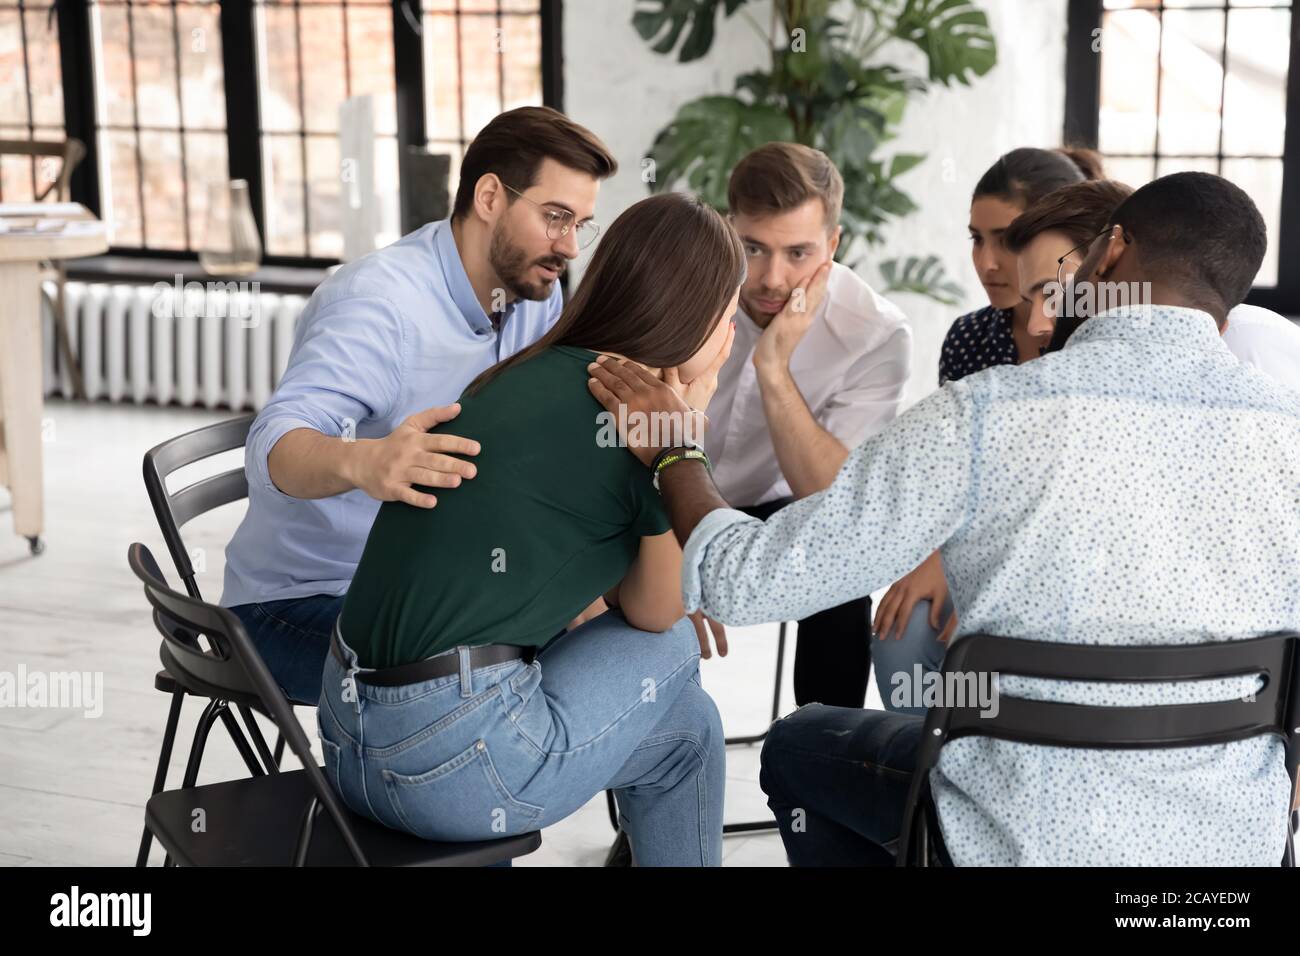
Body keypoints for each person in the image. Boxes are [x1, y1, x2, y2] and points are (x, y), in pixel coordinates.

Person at [587, 171, 1299, 866]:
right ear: (1224, 314)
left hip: (1012, 834)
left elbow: (744, 583)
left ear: (1110, 251)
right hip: (1229, 856)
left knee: (801, 744)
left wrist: (675, 451)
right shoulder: (1289, 432)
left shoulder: (983, 415)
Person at [319, 192, 742, 866]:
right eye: (729, 317)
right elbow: (659, 611)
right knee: (674, 649)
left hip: (346, 741)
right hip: (452, 766)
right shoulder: (642, 429)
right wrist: (683, 432)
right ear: (698, 321)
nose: (732, 336)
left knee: (689, 732)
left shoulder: (519, 373)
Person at [220, 107, 617, 704]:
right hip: (296, 604)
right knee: (483, 674)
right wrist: (367, 461)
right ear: (489, 197)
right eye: (555, 217)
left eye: (579, 223)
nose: (568, 245)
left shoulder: (535, 291)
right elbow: (272, 444)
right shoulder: (378, 304)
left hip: (432, 583)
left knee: (624, 644)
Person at [871, 178, 1133, 714]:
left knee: (799, 750)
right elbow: (953, 481)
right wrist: (945, 556)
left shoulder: (1166, 383)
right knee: (903, 633)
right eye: (977, 239)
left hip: (1070, 598)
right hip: (989, 547)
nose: (991, 263)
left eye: (1052, 295)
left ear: (1108, 267)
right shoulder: (974, 340)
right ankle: (936, 781)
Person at [694, 142, 912, 711]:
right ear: (728, 228)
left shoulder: (874, 333)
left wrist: (773, 365)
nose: (771, 278)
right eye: (753, 248)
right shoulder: (680, 292)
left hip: (785, 506)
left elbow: (834, 498)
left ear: (833, 244)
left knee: (842, 558)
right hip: (665, 496)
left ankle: (821, 758)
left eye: (798, 252)